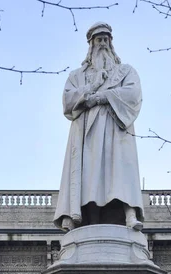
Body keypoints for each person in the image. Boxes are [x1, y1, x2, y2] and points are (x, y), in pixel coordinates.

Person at [54, 22, 144, 232]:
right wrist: (92, 87)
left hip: (117, 130)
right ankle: (85, 220)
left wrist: (103, 96)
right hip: (87, 133)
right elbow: (67, 102)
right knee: (90, 177)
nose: (102, 43)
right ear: (91, 44)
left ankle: (129, 214)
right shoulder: (77, 75)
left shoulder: (126, 71)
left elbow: (133, 96)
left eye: (106, 39)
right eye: (98, 40)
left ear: (111, 43)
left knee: (121, 172)